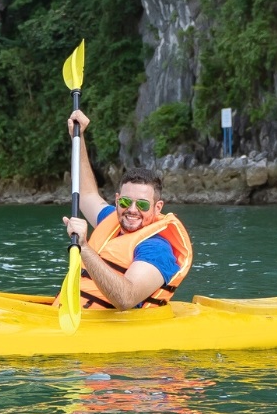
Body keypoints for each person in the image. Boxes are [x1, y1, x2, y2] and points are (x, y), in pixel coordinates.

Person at [60, 110, 192, 311]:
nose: (132, 210)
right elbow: (86, 194)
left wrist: (84, 248)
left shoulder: (156, 249)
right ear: (117, 199)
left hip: (109, 331)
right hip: (70, 315)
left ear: (158, 208)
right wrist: (79, 137)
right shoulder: (112, 220)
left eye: (142, 204)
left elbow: (126, 299)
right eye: (125, 202)